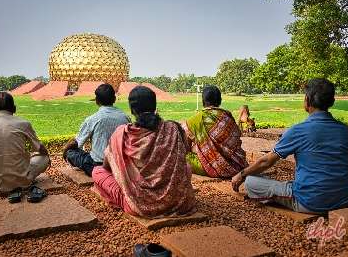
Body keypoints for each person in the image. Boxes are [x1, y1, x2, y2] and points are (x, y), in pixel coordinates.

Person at [232, 78, 348, 214]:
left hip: (310, 202)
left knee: (251, 182)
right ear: (332, 101)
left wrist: (242, 174)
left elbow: (266, 162)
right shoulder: (344, 130)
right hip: (345, 199)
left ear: (307, 101)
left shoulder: (298, 130)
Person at [92, 86, 196, 218]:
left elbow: (106, 167)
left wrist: (125, 173)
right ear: (154, 105)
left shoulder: (122, 134)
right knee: (186, 166)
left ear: (132, 109)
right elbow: (184, 155)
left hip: (140, 205)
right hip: (177, 201)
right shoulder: (173, 128)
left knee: (97, 172)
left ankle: (125, 199)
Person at [0, 92, 50, 193]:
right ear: (14, 108)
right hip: (21, 182)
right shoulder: (23, 124)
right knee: (44, 158)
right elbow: (41, 149)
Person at [63, 83, 130, 176]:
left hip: (97, 166)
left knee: (71, 152)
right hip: (119, 165)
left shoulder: (92, 119)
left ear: (97, 101)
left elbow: (78, 143)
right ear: (114, 99)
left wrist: (65, 150)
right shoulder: (125, 118)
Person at [183, 85, 248, 178]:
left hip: (213, 168)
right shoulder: (228, 117)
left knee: (179, 156)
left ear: (203, 101)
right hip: (236, 165)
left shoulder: (195, 120)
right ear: (220, 101)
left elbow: (183, 144)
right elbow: (236, 138)